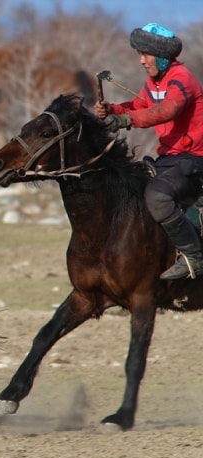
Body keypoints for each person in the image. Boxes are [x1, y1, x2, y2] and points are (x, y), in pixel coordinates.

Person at [95, 23, 203, 280]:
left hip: (193, 159)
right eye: (139, 54)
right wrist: (113, 110)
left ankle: (195, 258)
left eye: (146, 54)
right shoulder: (154, 83)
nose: (142, 60)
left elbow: (166, 111)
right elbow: (138, 105)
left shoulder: (181, 79)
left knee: (157, 197)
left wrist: (124, 121)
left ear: (163, 56)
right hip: (170, 159)